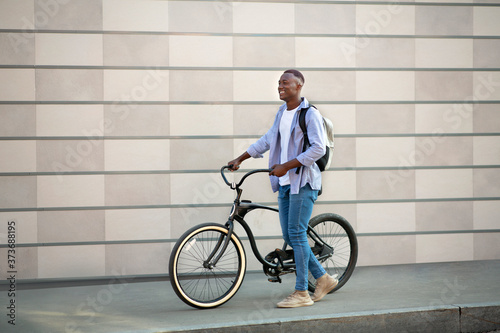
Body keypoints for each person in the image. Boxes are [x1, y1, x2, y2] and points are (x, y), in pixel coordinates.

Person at [228, 69, 338, 308]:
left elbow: (318, 149)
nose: (280, 86)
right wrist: (241, 158)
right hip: (286, 183)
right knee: (291, 235)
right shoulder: (282, 113)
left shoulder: (309, 114)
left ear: (299, 86)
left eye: (285, 83)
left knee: (296, 235)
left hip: (304, 182)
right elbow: (268, 140)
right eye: (279, 83)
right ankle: (323, 278)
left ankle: (301, 293)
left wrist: (285, 166)